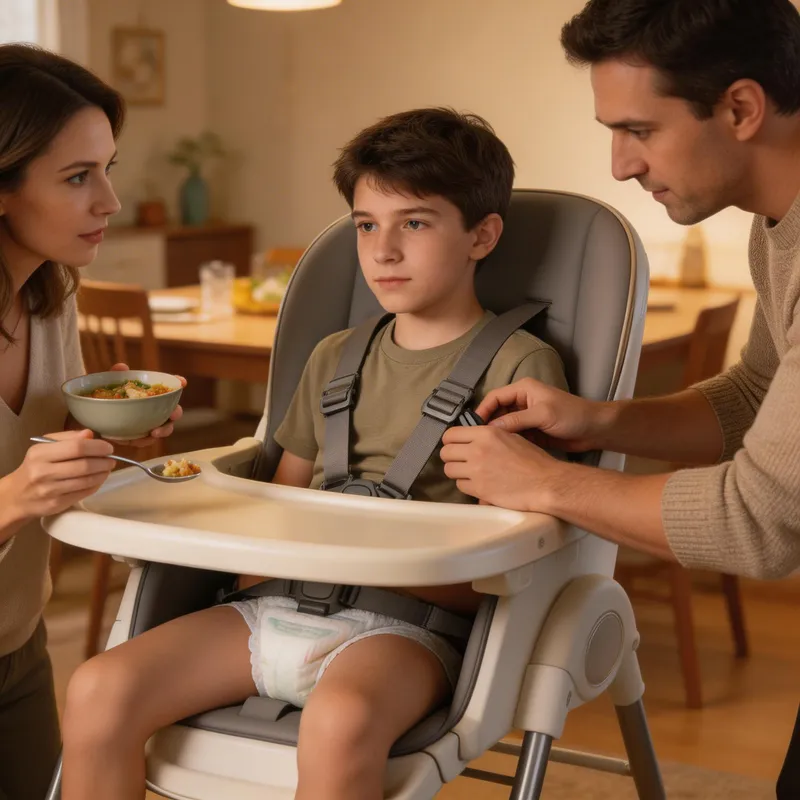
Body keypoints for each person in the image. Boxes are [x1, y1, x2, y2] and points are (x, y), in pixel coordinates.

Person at [60, 107, 569, 800]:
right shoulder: (335, 356)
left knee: (339, 721)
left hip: (409, 628)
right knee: (97, 688)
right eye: (366, 226)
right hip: (272, 607)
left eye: (413, 224)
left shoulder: (521, 368)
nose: (382, 251)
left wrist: (368, 554)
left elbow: (508, 557)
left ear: (482, 234)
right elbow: (284, 500)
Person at [438, 1, 800, 796]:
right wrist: (599, 421)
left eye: (638, 130)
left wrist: (544, 485)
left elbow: (759, 524)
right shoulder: (777, 227)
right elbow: (753, 395)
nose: (620, 165)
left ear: (741, 108)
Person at [0, 43, 184, 799]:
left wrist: (110, 446)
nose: (109, 200)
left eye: (107, 167)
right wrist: (15, 496)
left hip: (16, 645)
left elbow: (52, 445)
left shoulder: (53, 297)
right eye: (79, 177)